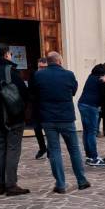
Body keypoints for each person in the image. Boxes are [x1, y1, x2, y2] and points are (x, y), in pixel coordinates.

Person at [30, 52, 91, 194]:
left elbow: (34, 94)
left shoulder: (38, 75)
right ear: (59, 61)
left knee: (54, 150)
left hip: (47, 118)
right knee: (74, 149)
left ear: (48, 61)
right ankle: (81, 180)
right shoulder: (68, 74)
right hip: (66, 117)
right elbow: (74, 91)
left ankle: (60, 184)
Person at [0, 43, 30, 196]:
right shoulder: (11, 71)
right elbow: (23, 93)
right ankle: (11, 184)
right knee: (13, 149)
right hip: (13, 116)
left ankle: (0, 185)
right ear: (7, 54)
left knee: (0, 148)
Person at [78, 63, 105, 166]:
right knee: (91, 132)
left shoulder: (91, 76)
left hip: (82, 104)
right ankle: (94, 158)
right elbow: (104, 94)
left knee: (86, 131)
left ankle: (89, 156)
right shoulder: (101, 79)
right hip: (91, 106)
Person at [32, 58, 48, 160]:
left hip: (48, 108)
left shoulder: (50, 76)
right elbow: (30, 90)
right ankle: (42, 148)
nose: (42, 69)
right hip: (37, 107)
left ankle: (50, 149)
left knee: (49, 130)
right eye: (40, 67)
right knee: (37, 129)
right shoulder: (34, 75)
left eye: (44, 67)